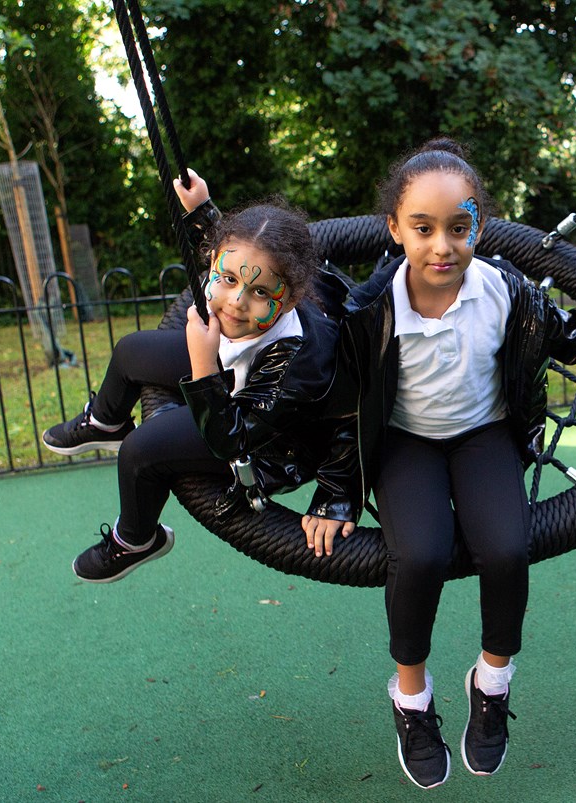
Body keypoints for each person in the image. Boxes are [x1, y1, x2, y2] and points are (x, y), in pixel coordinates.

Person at [324, 138, 576, 789]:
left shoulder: (506, 291)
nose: (442, 246)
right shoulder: (369, 309)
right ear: (394, 229)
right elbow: (328, 386)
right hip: (405, 442)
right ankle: (411, 698)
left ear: (481, 223)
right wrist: (335, 496)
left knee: (507, 548)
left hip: (484, 433)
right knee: (419, 554)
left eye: (459, 226)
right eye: (423, 229)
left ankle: (493, 683)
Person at [41, 170, 354, 582]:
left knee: (141, 451)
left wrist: (204, 366)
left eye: (260, 293)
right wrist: (202, 210)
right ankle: (105, 420)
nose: (236, 303)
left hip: (271, 440)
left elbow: (233, 440)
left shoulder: (298, 363)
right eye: (226, 279)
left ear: (292, 298)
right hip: (231, 369)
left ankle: (136, 539)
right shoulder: (246, 292)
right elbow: (242, 251)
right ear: (214, 264)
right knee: (131, 351)